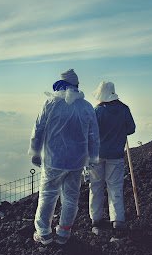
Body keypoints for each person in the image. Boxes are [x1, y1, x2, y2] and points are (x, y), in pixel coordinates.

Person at [28, 69, 99, 245]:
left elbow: (38, 129)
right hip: (76, 162)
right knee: (71, 197)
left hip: (54, 160)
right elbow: (93, 135)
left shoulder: (50, 103)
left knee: (47, 196)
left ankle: (43, 233)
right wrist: (93, 158)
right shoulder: (86, 107)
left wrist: (35, 152)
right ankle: (64, 233)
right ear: (76, 86)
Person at [89, 81, 135, 232]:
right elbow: (131, 129)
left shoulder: (98, 111)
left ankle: (95, 218)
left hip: (97, 154)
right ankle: (117, 219)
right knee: (114, 186)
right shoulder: (124, 109)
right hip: (116, 155)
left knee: (95, 185)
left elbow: (91, 131)